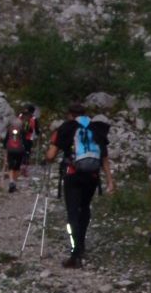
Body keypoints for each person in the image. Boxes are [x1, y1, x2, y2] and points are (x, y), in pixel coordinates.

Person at [44, 103, 115, 268]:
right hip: (92, 176)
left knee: (72, 212)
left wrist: (47, 156)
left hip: (73, 175)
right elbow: (104, 156)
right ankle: (81, 245)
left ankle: (75, 253)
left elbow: (51, 155)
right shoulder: (96, 128)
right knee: (85, 208)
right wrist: (110, 180)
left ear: (70, 115)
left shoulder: (67, 127)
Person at [2, 111, 28, 193]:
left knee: (10, 165)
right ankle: (14, 183)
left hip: (10, 149)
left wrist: (5, 150)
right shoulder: (22, 131)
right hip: (19, 150)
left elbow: (5, 141)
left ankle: (11, 181)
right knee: (17, 166)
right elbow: (25, 142)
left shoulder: (9, 130)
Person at [21, 104, 40, 175]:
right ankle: (24, 168)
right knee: (27, 152)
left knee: (22, 151)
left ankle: (20, 166)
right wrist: (38, 133)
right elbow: (37, 130)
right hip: (29, 138)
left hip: (20, 137)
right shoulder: (34, 119)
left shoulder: (21, 116)